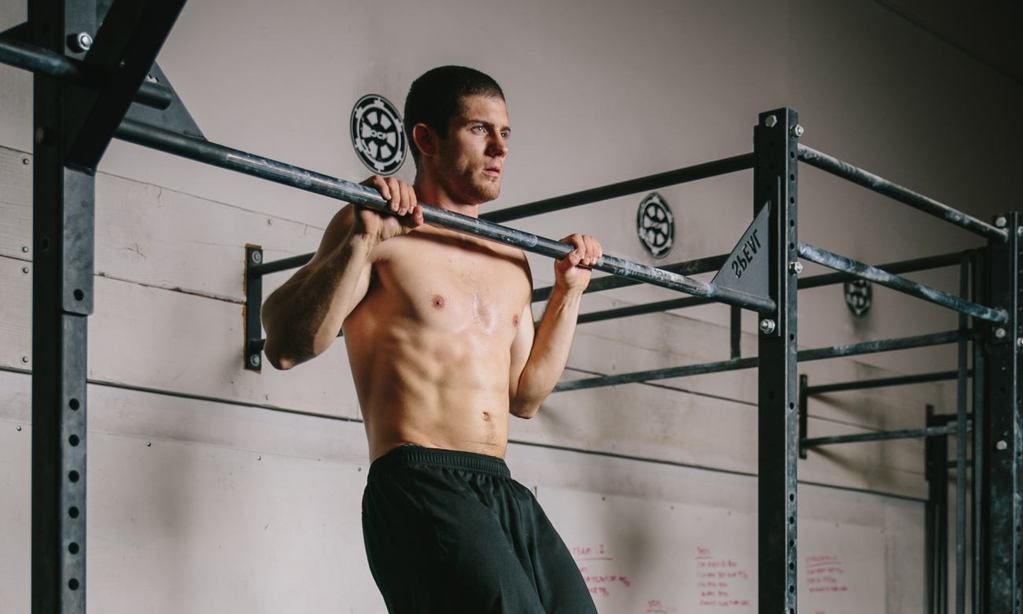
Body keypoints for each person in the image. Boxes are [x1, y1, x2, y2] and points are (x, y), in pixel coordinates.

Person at [261, 65, 601, 613]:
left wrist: (569, 292)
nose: (498, 148)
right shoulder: (375, 225)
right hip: (419, 477)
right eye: (478, 129)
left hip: (500, 485)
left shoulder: (510, 258)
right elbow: (284, 344)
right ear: (425, 138)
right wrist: (362, 244)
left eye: (506, 134)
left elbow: (527, 398)